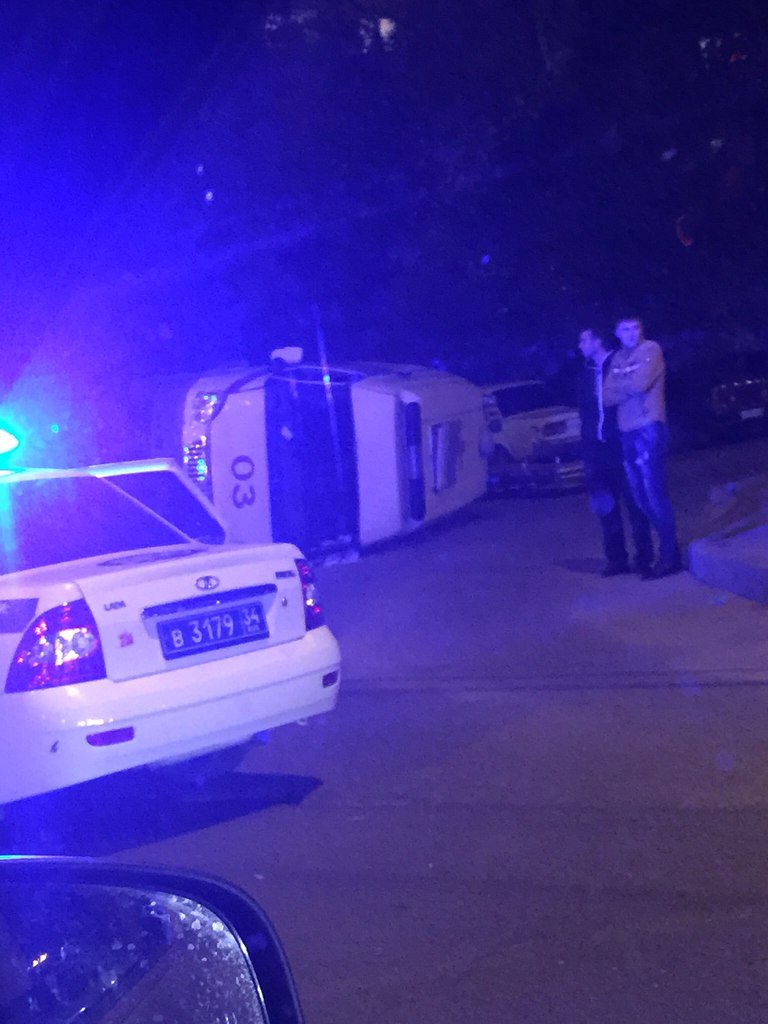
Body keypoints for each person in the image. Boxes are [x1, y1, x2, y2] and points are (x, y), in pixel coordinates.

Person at [603, 318, 682, 578]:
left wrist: (622, 384)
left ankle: (670, 556)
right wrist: (628, 386)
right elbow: (606, 396)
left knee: (653, 492)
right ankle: (666, 551)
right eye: (625, 329)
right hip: (626, 431)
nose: (631, 333)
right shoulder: (617, 358)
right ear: (617, 333)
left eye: (635, 327)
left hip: (649, 427)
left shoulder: (650, 349)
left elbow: (641, 384)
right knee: (639, 497)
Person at [577, 328, 654, 577]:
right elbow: (585, 415)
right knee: (606, 506)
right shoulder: (585, 374)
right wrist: (588, 450)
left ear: (597, 340)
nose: (580, 345)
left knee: (634, 504)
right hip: (598, 450)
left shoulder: (620, 366)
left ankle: (644, 558)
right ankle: (616, 559)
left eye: (584, 339)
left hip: (622, 446)